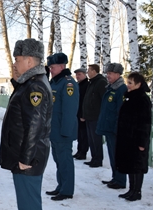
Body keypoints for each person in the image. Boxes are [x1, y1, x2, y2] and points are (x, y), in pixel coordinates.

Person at [0, 38, 52, 210]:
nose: (15, 64)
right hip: (22, 155)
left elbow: (34, 126)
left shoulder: (36, 86)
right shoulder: (30, 83)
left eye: (18, 60)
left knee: (30, 203)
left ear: (29, 61)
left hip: (28, 157)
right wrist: (16, 79)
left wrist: (26, 158)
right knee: (24, 202)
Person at [45, 52, 79, 201]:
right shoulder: (55, 82)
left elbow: (70, 110)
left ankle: (67, 190)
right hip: (54, 130)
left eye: (52, 67)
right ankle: (61, 186)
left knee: (65, 161)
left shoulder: (68, 83)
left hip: (62, 131)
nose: (51, 70)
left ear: (61, 66)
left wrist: (66, 131)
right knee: (58, 160)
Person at [115, 72, 152, 201]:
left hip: (136, 139)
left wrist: (142, 142)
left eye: (130, 83)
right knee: (130, 164)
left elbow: (145, 122)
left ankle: (137, 191)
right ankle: (131, 189)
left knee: (137, 166)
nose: (128, 85)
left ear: (138, 84)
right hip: (128, 138)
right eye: (128, 82)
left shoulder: (142, 99)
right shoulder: (129, 97)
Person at [96, 63, 128, 189]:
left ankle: (120, 180)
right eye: (107, 73)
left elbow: (121, 112)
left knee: (117, 155)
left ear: (117, 74)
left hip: (116, 130)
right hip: (109, 128)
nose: (107, 76)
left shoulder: (121, 90)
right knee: (112, 155)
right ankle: (115, 177)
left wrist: (117, 129)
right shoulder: (111, 88)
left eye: (110, 73)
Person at [82, 64, 107, 168]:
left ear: (94, 71)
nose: (87, 72)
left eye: (89, 70)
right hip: (89, 116)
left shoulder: (101, 82)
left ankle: (98, 159)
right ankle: (94, 158)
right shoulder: (91, 83)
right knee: (91, 139)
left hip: (96, 116)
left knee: (96, 139)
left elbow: (103, 100)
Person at [73, 68, 89, 160]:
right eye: (77, 74)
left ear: (84, 74)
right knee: (79, 134)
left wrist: (83, 114)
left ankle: (83, 152)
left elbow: (85, 101)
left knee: (84, 134)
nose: (77, 76)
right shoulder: (78, 85)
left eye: (79, 74)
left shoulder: (86, 85)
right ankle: (79, 151)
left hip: (83, 113)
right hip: (77, 112)